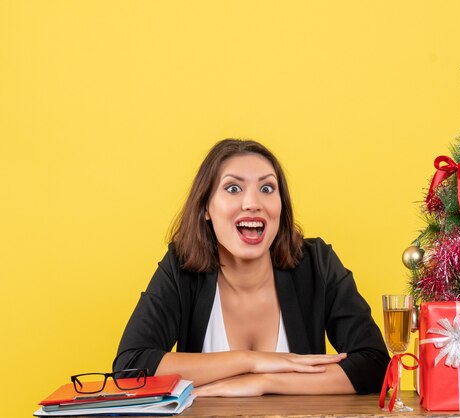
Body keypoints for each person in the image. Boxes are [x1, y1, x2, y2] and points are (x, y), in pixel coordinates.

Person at [113, 139, 389, 396]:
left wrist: (264, 381)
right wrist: (251, 361)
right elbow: (131, 367)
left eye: (267, 188)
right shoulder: (181, 266)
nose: (252, 203)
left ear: (281, 206)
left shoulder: (318, 262)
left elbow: (374, 365)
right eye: (233, 188)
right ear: (206, 207)